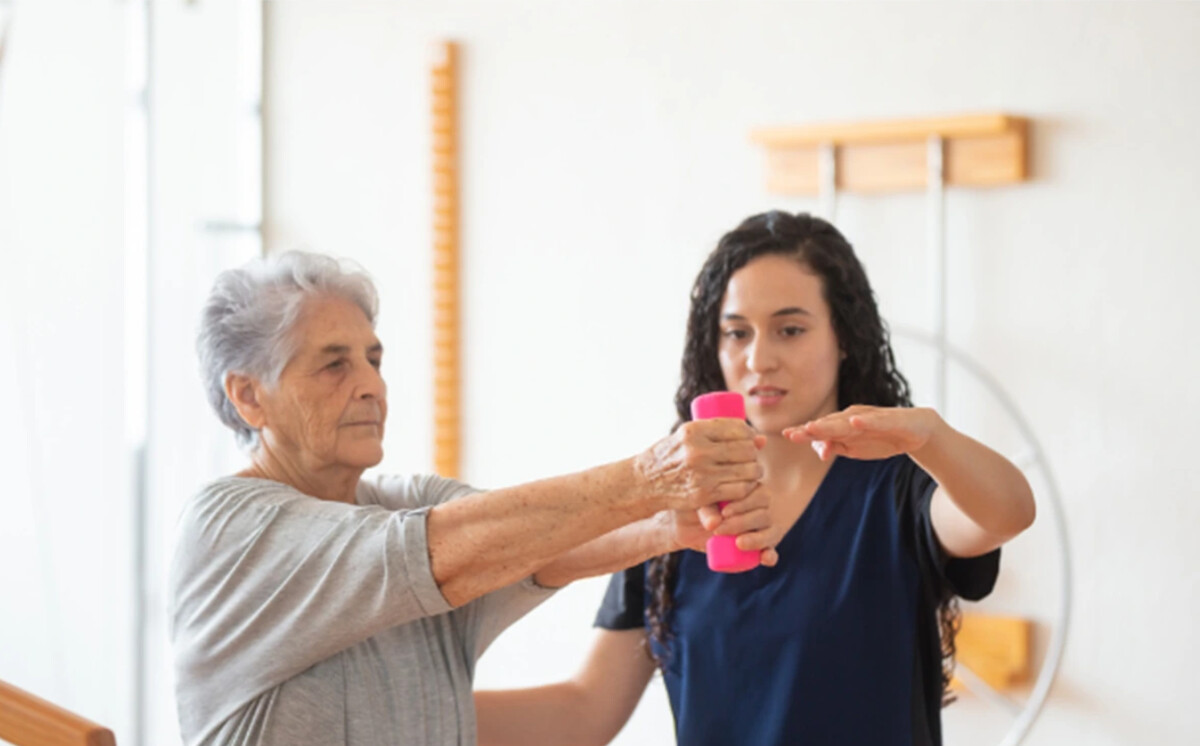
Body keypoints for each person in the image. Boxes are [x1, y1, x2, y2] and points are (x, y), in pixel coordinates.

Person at [169, 251, 782, 746]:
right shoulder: (228, 528)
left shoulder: (408, 502)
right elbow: (436, 551)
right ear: (250, 397)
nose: (373, 386)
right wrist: (649, 479)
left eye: (374, 359)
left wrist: (666, 527)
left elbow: (534, 546)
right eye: (335, 365)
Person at [475, 211, 1037, 746]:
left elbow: (1005, 512)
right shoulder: (672, 519)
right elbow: (583, 712)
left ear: (844, 338)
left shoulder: (897, 492)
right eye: (737, 333)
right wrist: (406, 705)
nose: (758, 359)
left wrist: (930, 436)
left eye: (789, 330)